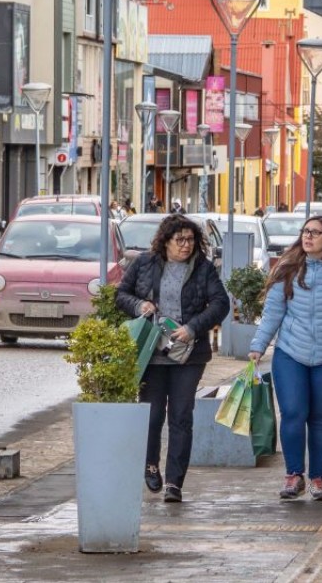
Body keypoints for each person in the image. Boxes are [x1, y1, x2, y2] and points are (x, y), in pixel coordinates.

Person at [115, 214, 231, 503]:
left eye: (190, 239)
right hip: (151, 352)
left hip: (188, 355)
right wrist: (139, 305)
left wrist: (192, 328)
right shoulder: (144, 263)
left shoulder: (202, 267)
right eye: (179, 240)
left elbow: (220, 303)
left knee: (180, 416)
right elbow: (121, 294)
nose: (186, 245)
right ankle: (150, 465)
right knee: (152, 414)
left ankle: (174, 483)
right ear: (165, 241)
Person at [249, 215, 322, 502]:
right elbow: (273, 312)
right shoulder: (288, 267)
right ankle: (293, 475)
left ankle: (318, 479)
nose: (308, 236)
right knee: (292, 413)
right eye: (305, 231)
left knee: (321, 420)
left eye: (315, 232)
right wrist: (258, 345)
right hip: (291, 354)